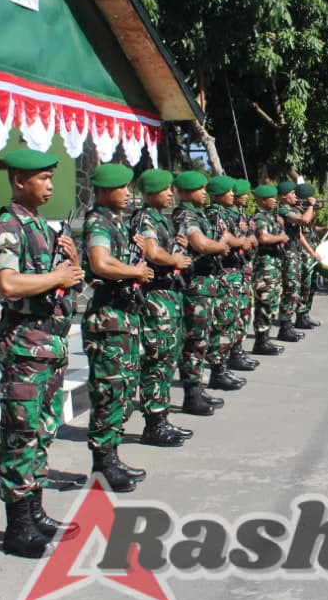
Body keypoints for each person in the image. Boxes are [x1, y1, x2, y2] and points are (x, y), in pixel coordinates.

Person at [0, 149, 85, 557]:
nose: (49, 185)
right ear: (19, 181)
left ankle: (35, 509)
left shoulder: (41, 226)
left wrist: (72, 266)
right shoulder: (8, 227)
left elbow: (66, 281)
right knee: (21, 435)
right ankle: (18, 525)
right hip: (25, 345)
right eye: (42, 178)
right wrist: (56, 276)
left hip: (48, 344)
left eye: (50, 178)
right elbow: (7, 285)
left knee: (41, 431)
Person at [81, 163, 154, 491]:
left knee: (122, 390)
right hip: (108, 320)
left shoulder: (116, 222)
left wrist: (136, 256)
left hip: (122, 317)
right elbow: (100, 262)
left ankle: (112, 455)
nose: (128, 194)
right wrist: (134, 271)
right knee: (109, 392)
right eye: (121, 188)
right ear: (103, 191)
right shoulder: (98, 221)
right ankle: (103, 464)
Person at [129, 168, 195, 447]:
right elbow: (153, 253)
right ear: (152, 191)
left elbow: (164, 249)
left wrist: (178, 247)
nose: (170, 193)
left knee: (167, 360)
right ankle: (153, 424)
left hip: (169, 298)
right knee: (157, 361)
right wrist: (174, 260)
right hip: (156, 300)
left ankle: (162, 417)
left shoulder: (161, 219)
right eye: (165, 189)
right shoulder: (144, 217)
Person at [171, 171, 229, 415]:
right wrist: (223, 244)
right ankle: (191, 394)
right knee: (195, 340)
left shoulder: (197, 213)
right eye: (200, 188)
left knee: (202, 338)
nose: (205, 192)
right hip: (195, 285)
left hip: (204, 285)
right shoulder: (186, 214)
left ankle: (197, 388)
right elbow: (200, 244)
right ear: (187, 191)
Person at [204, 175, 250, 390]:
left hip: (235, 272)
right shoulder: (214, 213)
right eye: (228, 191)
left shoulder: (227, 213)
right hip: (224, 274)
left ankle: (225, 364)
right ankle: (218, 369)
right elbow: (227, 238)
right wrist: (241, 240)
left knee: (232, 319)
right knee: (222, 322)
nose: (233, 194)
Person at [249, 184, 288, 356]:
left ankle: (265, 338)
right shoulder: (260, 218)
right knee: (264, 302)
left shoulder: (271, 217)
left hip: (274, 266)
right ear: (263, 200)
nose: (274, 201)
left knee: (272, 301)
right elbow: (263, 237)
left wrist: (281, 228)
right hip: (265, 267)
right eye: (271, 198)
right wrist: (280, 236)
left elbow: (281, 237)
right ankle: (261, 340)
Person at [228, 178, 261, 370]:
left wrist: (247, 236)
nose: (247, 197)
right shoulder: (227, 216)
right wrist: (245, 238)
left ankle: (238, 350)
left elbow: (253, 241)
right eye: (244, 194)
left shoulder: (242, 215)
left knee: (243, 313)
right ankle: (233, 353)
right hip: (232, 273)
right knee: (233, 316)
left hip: (243, 272)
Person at [274, 181, 307, 343]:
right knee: (290, 289)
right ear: (283, 196)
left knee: (295, 289)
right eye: (292, 193)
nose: (295, 195)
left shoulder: (292, 209)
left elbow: (305, 226)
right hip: (288, 255)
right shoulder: (283, 210)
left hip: (295, 253)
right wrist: (311, 207)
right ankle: (285, 327)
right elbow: (303, 221)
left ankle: (288, 326)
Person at [293, 182, 322, 329]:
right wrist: (310, 206)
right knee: (304, 284)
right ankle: (300, 315)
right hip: (303, 253)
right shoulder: (295, 211)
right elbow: (300, 232)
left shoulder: (306, 210)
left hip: (311, 250)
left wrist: (316, 211)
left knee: (311, 284)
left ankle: (306, 314)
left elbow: (310, 225)